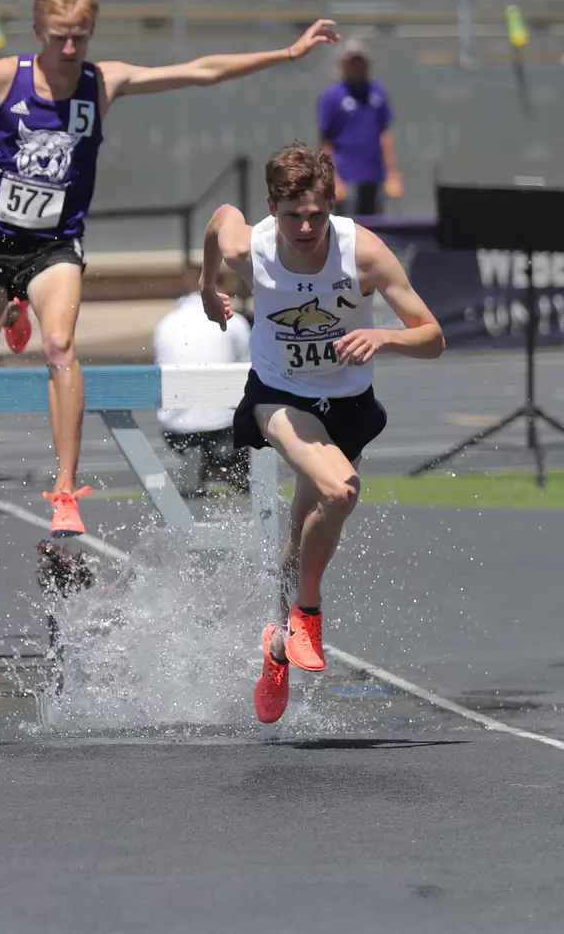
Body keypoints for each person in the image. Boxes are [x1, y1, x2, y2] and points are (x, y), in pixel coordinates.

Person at [0, 0, 339, 536]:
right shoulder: (5, 77)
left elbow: (199, 71)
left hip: (54, 245)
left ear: (93, 30)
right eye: (58, 36)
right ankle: (10, 309)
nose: (70, 48)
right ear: (36, 30)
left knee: (59, 345)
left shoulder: (104, 82)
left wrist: (288, 53)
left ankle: (66, 492)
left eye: (81, 36)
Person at [198, 142, 443, 725]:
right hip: (279, 398)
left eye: (316, 213)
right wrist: (209, 286)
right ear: (272, 208)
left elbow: (432, 336)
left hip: (349, 406)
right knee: (341, 490)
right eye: (292, 216)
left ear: (331, 203)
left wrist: (383, 336)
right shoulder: (250, 247)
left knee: (301, 532)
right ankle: (308, 613)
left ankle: (277, 644)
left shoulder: (363, 252)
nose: (306, 227)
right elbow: (217, 222)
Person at [151, 268, 252, 496]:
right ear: (220, 290)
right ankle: (219, 465)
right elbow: (251, 369)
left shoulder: (165, 324)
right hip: (224, 429)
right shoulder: (233, 322)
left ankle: (203, 461)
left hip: (175, 429)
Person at [318, 40, 403, 218]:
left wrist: (393, 172)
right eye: (352, 63)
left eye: (360, 62)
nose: (357, 67)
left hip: (375, 177)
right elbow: (325, 141)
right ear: (343, 65)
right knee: (351, 231)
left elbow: (385, 134)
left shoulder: (377, 92)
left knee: (377, 229)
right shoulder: (332, 96)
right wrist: (333, 178)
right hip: (347, 178)